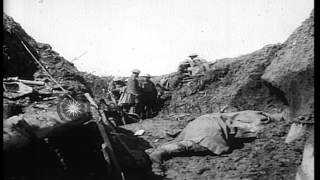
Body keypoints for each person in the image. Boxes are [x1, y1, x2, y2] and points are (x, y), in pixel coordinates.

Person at [149, 110, 274, 164]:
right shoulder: (258, 117)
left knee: (191, 139)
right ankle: (164, 151)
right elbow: (249, 130)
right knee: (203, 143)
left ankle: (162, 149)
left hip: (199, 122)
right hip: (211, 129)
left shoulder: (235, 114)